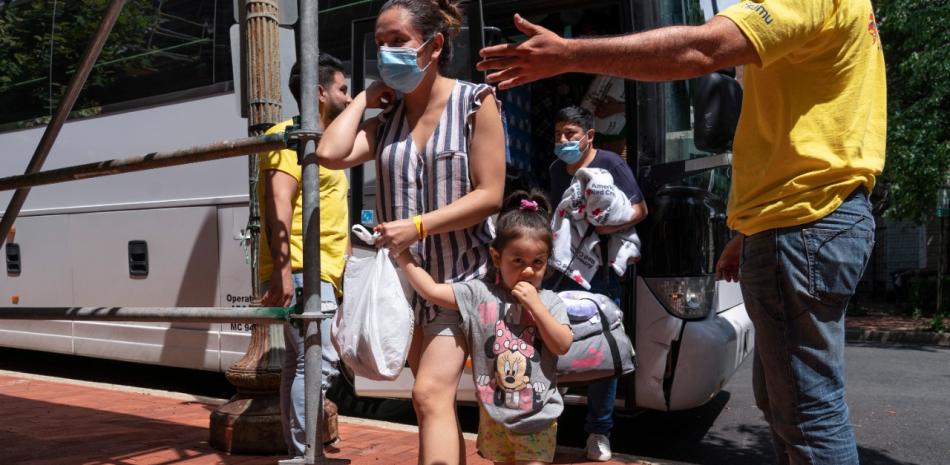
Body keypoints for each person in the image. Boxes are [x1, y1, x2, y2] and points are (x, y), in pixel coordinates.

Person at [478, 2, 886, 464]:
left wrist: (567, 54)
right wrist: (747, 234)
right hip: (795, 223)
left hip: (801, 224)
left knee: (808, 414)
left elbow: (702, 47)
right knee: (785, 404)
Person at [316, 1, 506, 463]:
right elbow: (329, 152)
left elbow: (490, 194)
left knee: (427, 394)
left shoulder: (475, 102)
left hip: (460, 282)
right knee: (434, 403)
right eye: (379, 44)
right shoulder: (387, 123)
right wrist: (363, 98)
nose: (386, 53)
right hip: (405, 288)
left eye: (397, 41)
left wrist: (418, 225)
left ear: (434, 45)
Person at [393, 190, 573, 465]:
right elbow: (430, 290)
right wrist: (401, 252)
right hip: (494, 420)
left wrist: (536, 307)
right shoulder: (479, 294)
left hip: (538, 420)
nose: (528, 271)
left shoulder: (550, 301)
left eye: (537, 262)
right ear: (496, 257)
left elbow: (562, 344)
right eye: (518, 261)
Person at [257, 53, 352, 459]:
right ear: (319, 92)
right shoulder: (291, 137)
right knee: (320, 361)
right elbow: (278, 202)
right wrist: (281, 271)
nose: (349, 98)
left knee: (300, 363)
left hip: (315, 271)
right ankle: (304, 454)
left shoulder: (322, 141)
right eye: (343, 89)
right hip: (300, 270)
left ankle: (300, 452)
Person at [546, 105, 647, 462]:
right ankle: (545, 425)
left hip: (601, 273)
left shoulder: (611, 165)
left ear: (590, 136)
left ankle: (599, 433)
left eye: (570, 134)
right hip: (562, 272)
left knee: (602, 353)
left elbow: (640, 209)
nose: (563, 140)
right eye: (559, 134)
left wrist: (608, 226)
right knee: (553, 348)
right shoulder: (557, 170)